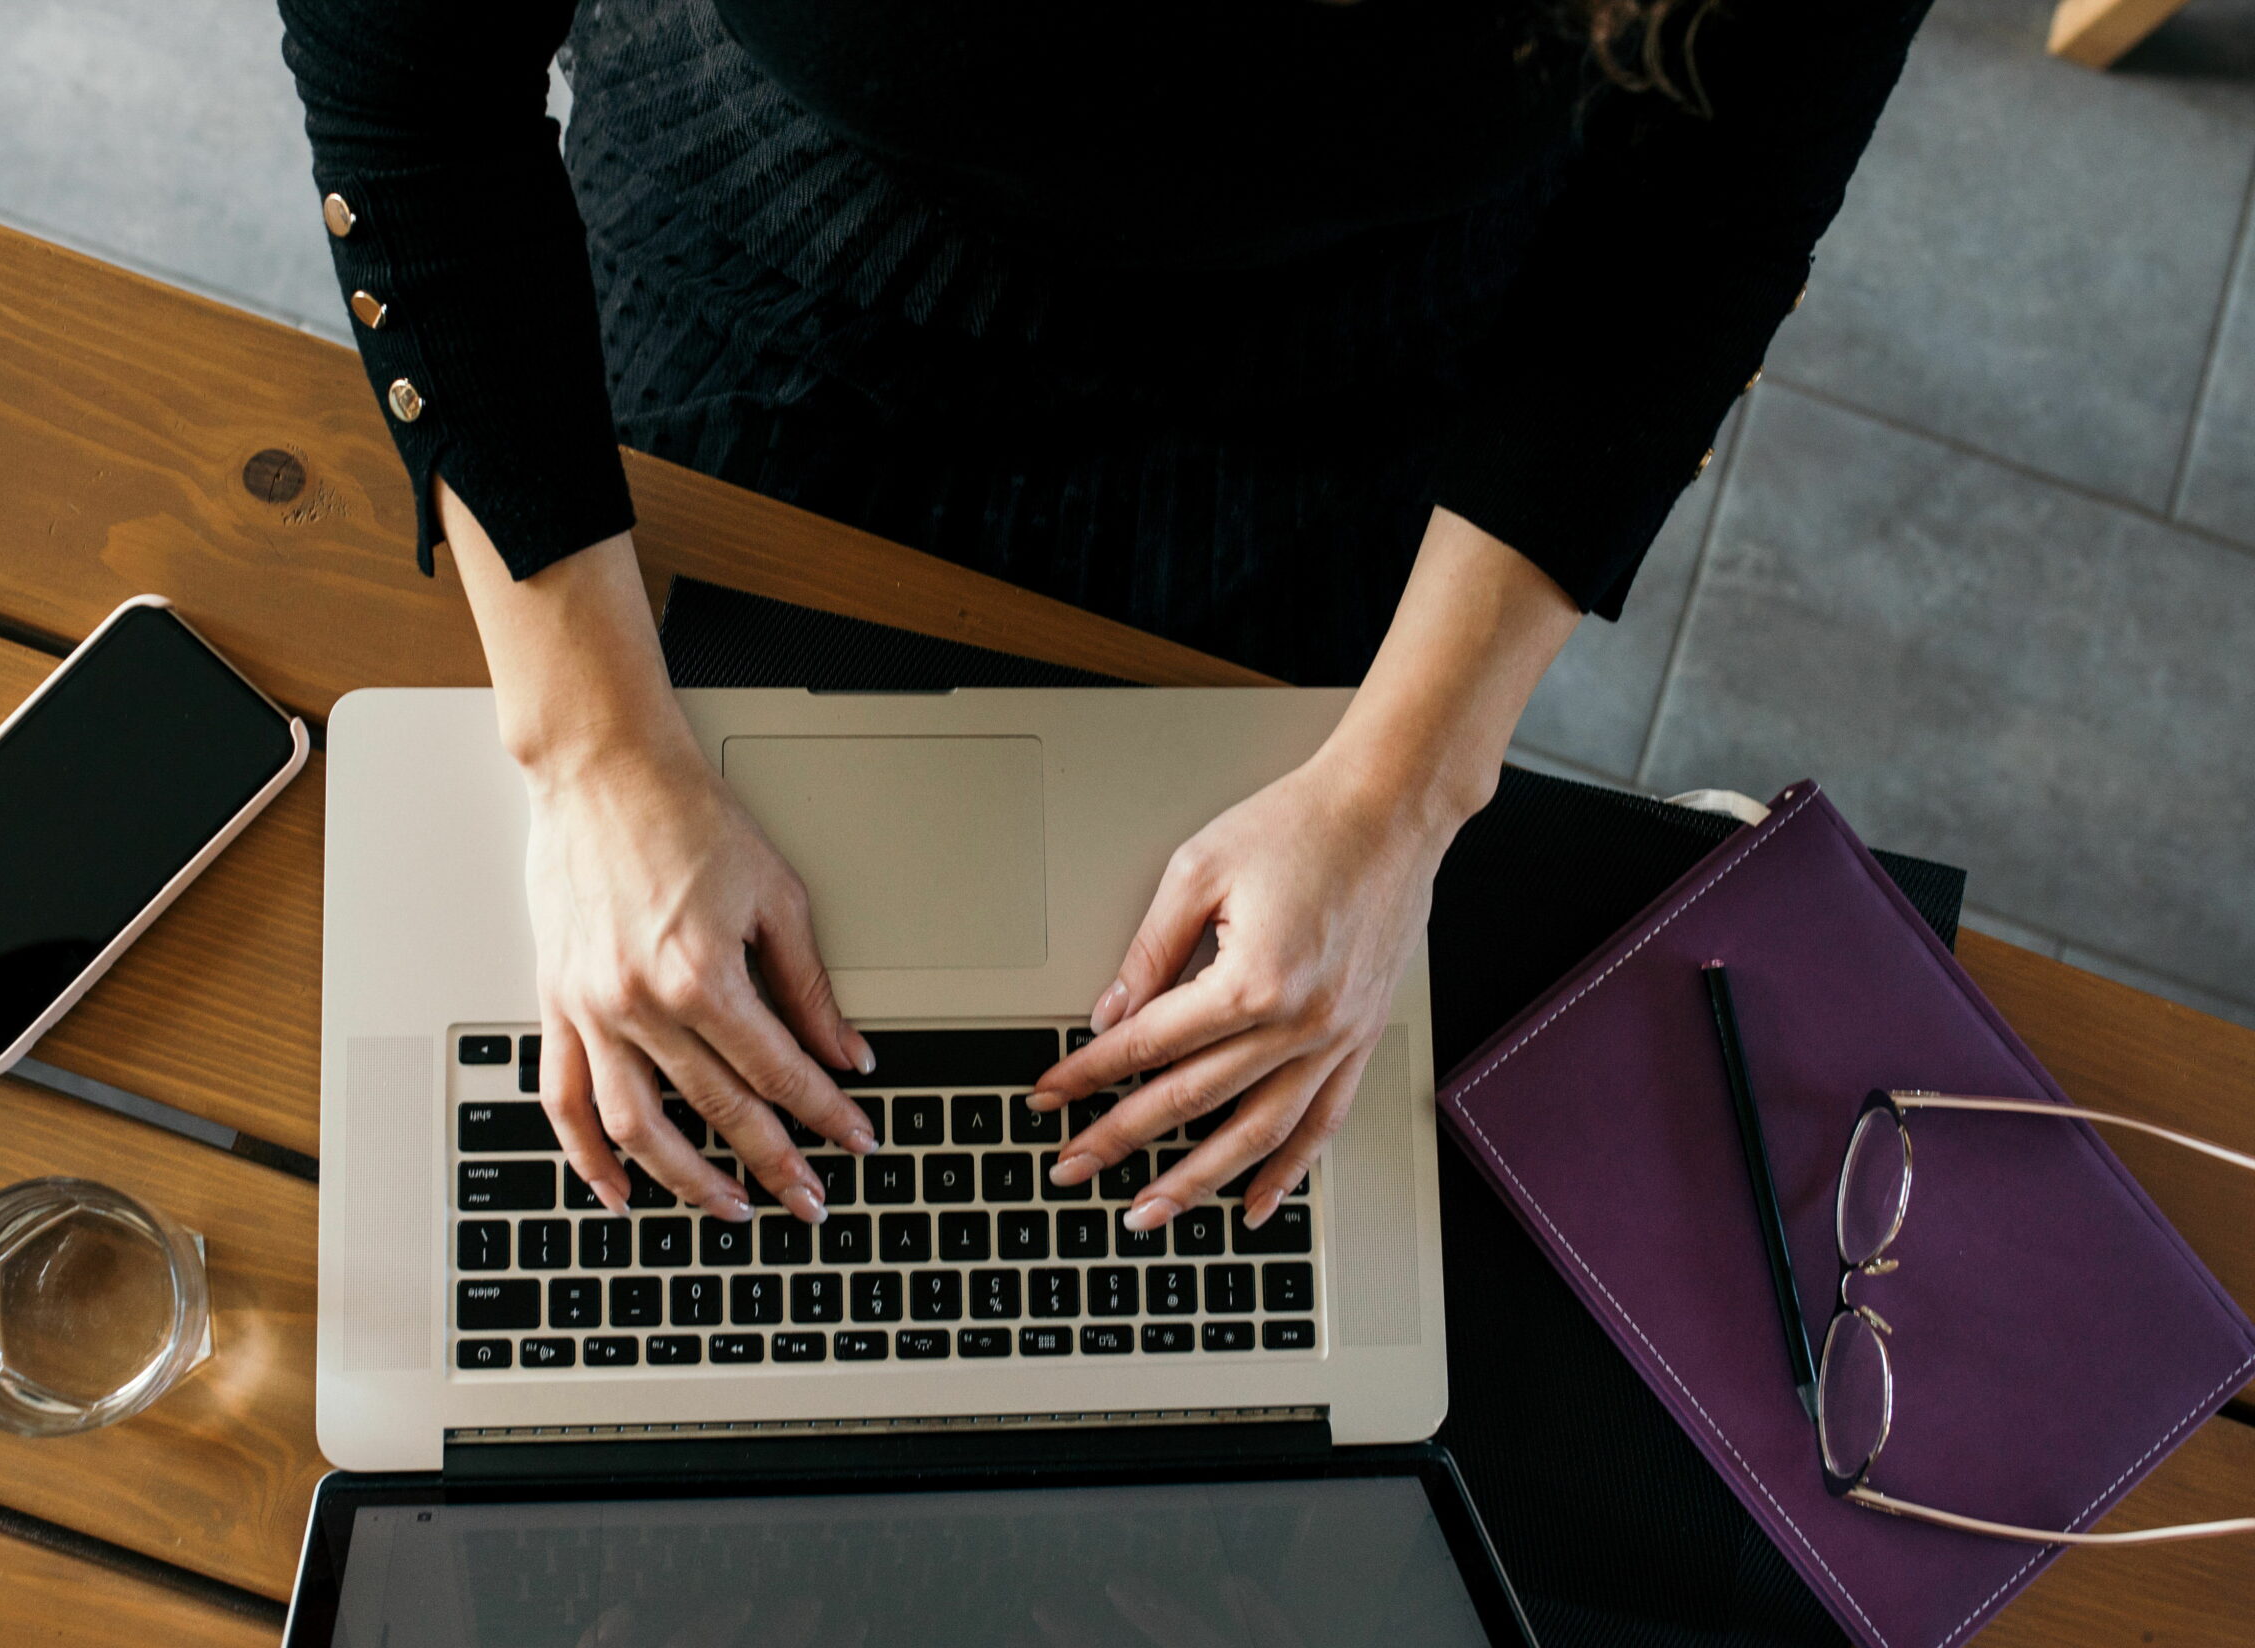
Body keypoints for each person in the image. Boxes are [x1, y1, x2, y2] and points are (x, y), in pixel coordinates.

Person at [279, 0, 1931, 1238]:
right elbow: (414, 87)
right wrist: (594, 754)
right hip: (769, 267)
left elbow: (1703, 218)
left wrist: (1402, 793)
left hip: (1368, 384)